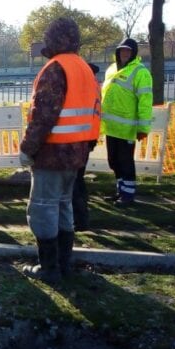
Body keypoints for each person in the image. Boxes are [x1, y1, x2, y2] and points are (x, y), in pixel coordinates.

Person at [19, 18, 100, 283]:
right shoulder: (84, 68)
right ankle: (64, 265)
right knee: (64, 207)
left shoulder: (55, 69)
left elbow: (43, 115)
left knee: (43, 209)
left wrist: (28, 148)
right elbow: (95, 112)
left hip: (52, 154)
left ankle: (49, 269)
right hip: (77, 154)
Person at [100, 38, 153, 208]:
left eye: (128, 51)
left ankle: (128, 195)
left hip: (127, 128)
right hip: (111, 127)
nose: (124, 53)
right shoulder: (111, 69)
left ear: (134, 53)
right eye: (122, 50)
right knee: (113, 161)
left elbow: (145, 102)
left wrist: (143, 128)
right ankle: (120, 191)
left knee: (125, 162)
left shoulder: (140, 72)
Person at [72, 63, 101, 231]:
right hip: (88, 138)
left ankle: (80, 220)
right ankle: (81, 218)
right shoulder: (94, 86)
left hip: (78, 139)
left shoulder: (86, 88)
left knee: (74, 181)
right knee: (78, 180)